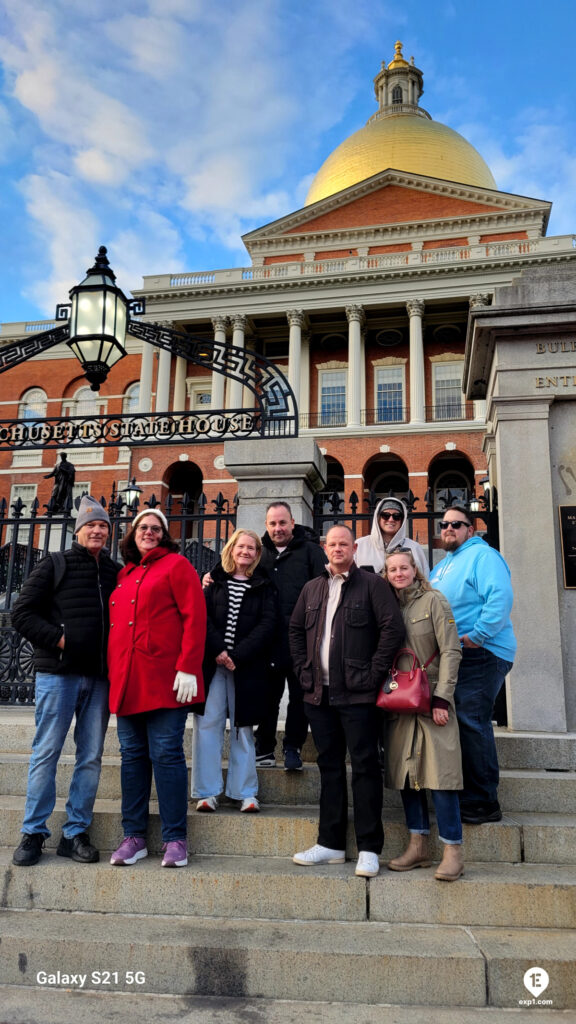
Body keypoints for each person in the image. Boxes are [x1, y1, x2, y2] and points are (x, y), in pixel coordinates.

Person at [289, 525, 404, 877]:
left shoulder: (373, 585)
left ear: (354, 548)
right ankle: (331, 844)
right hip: (318, 695)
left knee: (366, 767)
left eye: (344, 544)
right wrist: (303, 670)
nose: (337, 549)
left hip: (358, 696)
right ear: (324, 548)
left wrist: (372, 675)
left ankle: (369, 847)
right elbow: (295, 630)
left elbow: (392, 630)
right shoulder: (312, 588)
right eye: (332, 544)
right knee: (330, 767)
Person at [11, 495, 118, 867]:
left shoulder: (113, 570)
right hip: (58, 675)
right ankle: (33, 832)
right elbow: (21, 613)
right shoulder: (53, 564)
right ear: (79, 530)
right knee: (46, 753)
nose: (98, 531)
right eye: (92, 525)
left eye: (103, 526)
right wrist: (60, 639)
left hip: (99, 678)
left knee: (90, 757)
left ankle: (75, 833)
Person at [108, 508, 206, 868]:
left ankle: (175, 839)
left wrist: (188, 667)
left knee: (166, 755)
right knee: (132, 758)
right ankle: (133, 836)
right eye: (142, 527)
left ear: (164, 535)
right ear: (133, 533)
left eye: (156, 528)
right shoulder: (125, 573)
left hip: (166, 681)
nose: (149, 532)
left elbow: (195, 617)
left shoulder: (177, 566)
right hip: (128, 682)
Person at [430, 506, 517, 825]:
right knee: (462, 721)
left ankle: (483, 801)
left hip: (482, 652)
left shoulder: (484, 556)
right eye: (444, 524)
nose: (449, 528)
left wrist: (478, 636)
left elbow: (500, 597)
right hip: (455, 654)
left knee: (472, 719)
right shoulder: (443, 565)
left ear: (471, 528)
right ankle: (467, 791)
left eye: (456, 524)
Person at [383, 548, 464, 881]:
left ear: (415, 570)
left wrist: (443, 698)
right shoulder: (387, 604)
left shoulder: (434, 601)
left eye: (404, 567)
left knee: (440, 777)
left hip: (431, 700)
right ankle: (418, 845)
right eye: (392, 569)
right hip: (398, 702)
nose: (399, 573)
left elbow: (451, 650)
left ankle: (452, 852)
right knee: (407, 775)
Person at [192, 529, 279, 813]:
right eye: (241, 546)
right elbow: (201, 617)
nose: (246, 552)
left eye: (252, 548)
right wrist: (218, 650)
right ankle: (206, 791)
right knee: (208, 727)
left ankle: (245, 792)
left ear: (257, 554)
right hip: (213, 666)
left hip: (247, 667)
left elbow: (268, 625)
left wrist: (238, 654)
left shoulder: (265, 585)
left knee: (243, 729)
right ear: (231, 549)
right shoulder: (213, 581)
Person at [255, 502, 327, 771]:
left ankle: (293, 747)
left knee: (300, 698)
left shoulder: (310, 552)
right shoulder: (258, 552)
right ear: (266, 525)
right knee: (267, 697)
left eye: (282, 523)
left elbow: (324, 589)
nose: (278, 528)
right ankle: (263, 748)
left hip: (302, 641)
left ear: (292, 523)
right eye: (272, 523)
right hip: (268, 641)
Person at [355, 496, 429, 578]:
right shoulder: (360, 545)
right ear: (378, 518)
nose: (391, 519)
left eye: (396, 516)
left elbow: (424, 579)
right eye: (385, 515)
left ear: (402, 520)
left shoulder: (414, 547)